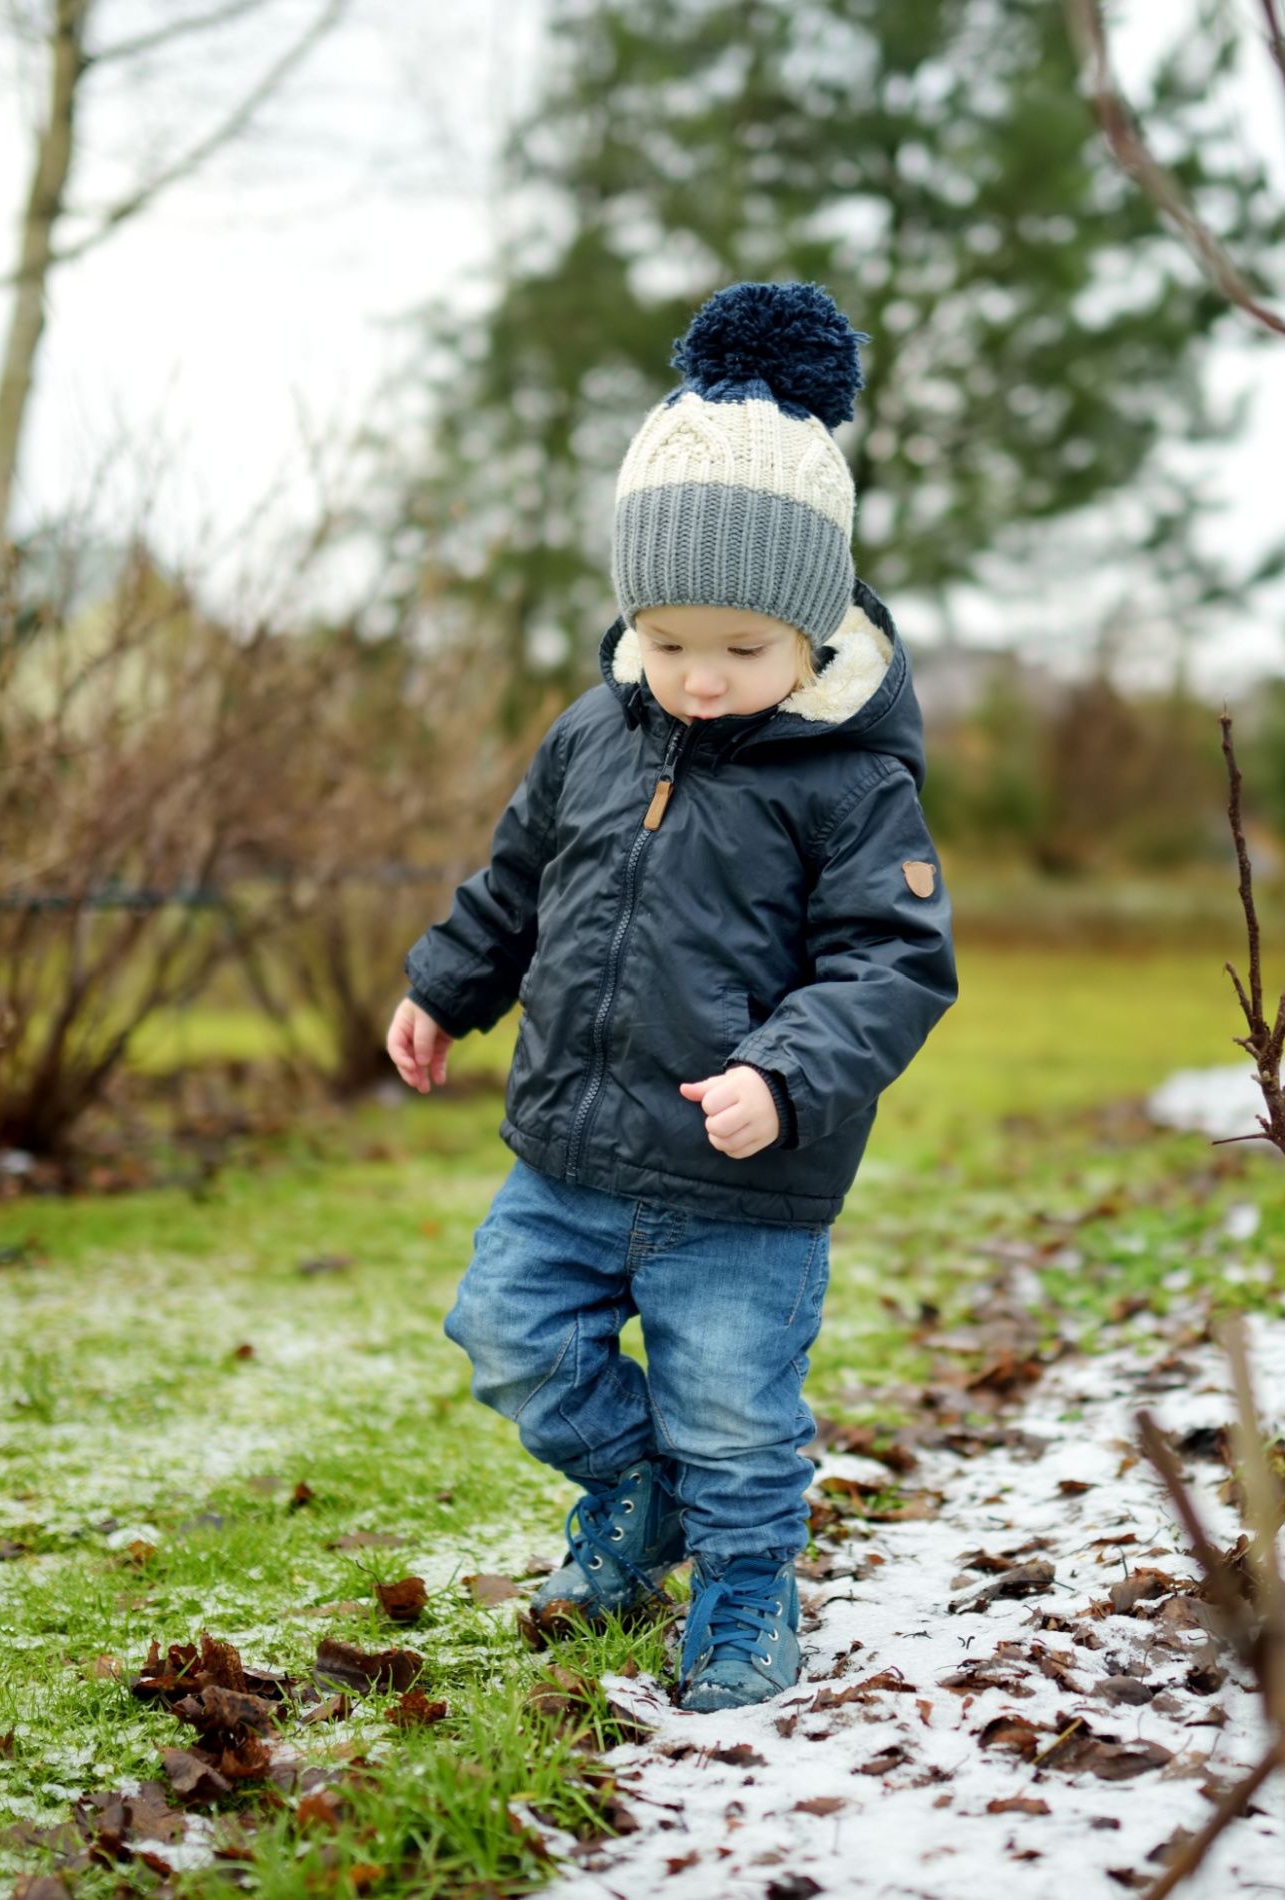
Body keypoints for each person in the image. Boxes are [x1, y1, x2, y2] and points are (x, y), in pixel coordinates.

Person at [386, 280, 958, 1712]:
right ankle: (641, 1499)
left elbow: (895, 964)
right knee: (512, 1342)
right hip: (569, 1156)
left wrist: (786, 1076)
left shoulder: (850, 783)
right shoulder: (593, 732)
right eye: (669, 640)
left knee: (736, 1411)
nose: (699, 679)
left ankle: (750, 1587)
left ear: (814, 630)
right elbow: (519, 878)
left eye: (743, 649)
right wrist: (448, 988)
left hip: (738, 1180)